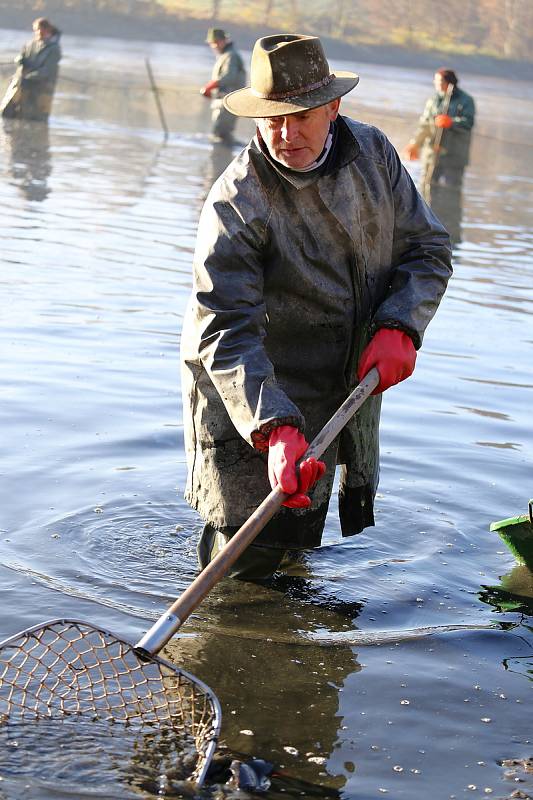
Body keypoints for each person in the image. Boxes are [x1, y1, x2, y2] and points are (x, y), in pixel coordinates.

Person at [182, 34, 452, 582]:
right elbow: (226, 330)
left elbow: (428, 249)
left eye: (301, 116)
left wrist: (402, 324)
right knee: (245, 555)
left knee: (302, 533)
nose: (286, 134)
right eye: (271, 119)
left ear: (333, 106)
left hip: (339, 382)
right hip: (248, 388)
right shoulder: (237, 200)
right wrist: (274, 428)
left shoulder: (374, 155)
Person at [403, 68, 475, 203]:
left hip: (454, 156)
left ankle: (450, 220)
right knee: (425, 187)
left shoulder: (466, 100)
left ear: (449, 82)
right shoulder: (433, 100)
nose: (435, 83)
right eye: (435, 80)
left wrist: (451, 122)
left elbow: (468, 123)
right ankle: (424, 218)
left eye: (439, 81)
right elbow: (424, 125)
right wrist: (414, 144)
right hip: (432, 153)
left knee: (451, 191)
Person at [0, 18, 62, 122]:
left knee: (35, 119)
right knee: (7, 113)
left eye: (40, 30)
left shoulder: (54, 49)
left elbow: (46, 71)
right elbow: (21, 56)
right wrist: (20, 60)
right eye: (36, 30)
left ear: (48, 30)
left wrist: (28, 77)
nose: (38, 33)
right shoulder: (30, 44)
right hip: (22, 85)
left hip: (41, 90)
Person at [200, 28, 246, 144]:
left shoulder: (231, 55)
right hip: (224, 101)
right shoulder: (225, 55)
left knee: (221, 135)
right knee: (220, 135)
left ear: (225, 40)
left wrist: (209, 87)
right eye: (212, 43)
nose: (215, 46)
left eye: (217, 42)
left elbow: (229, 77)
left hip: (229, 102)